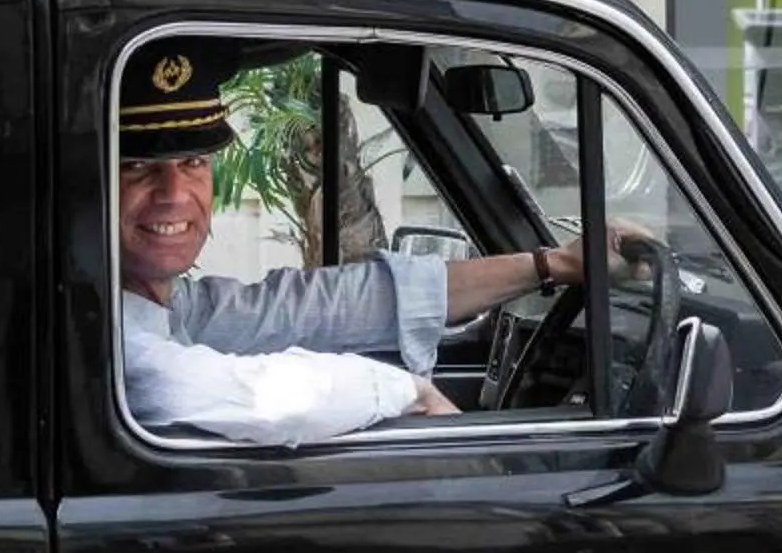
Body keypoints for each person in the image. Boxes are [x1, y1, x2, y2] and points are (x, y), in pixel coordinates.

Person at [117, 39, 585, 446]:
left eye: (194, 162)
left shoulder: (169, 306)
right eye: (136, 166)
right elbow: (187, 390)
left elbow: (312, 306)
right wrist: (404, 391)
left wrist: (552, 264)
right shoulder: (106, 329)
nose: (174, 194)